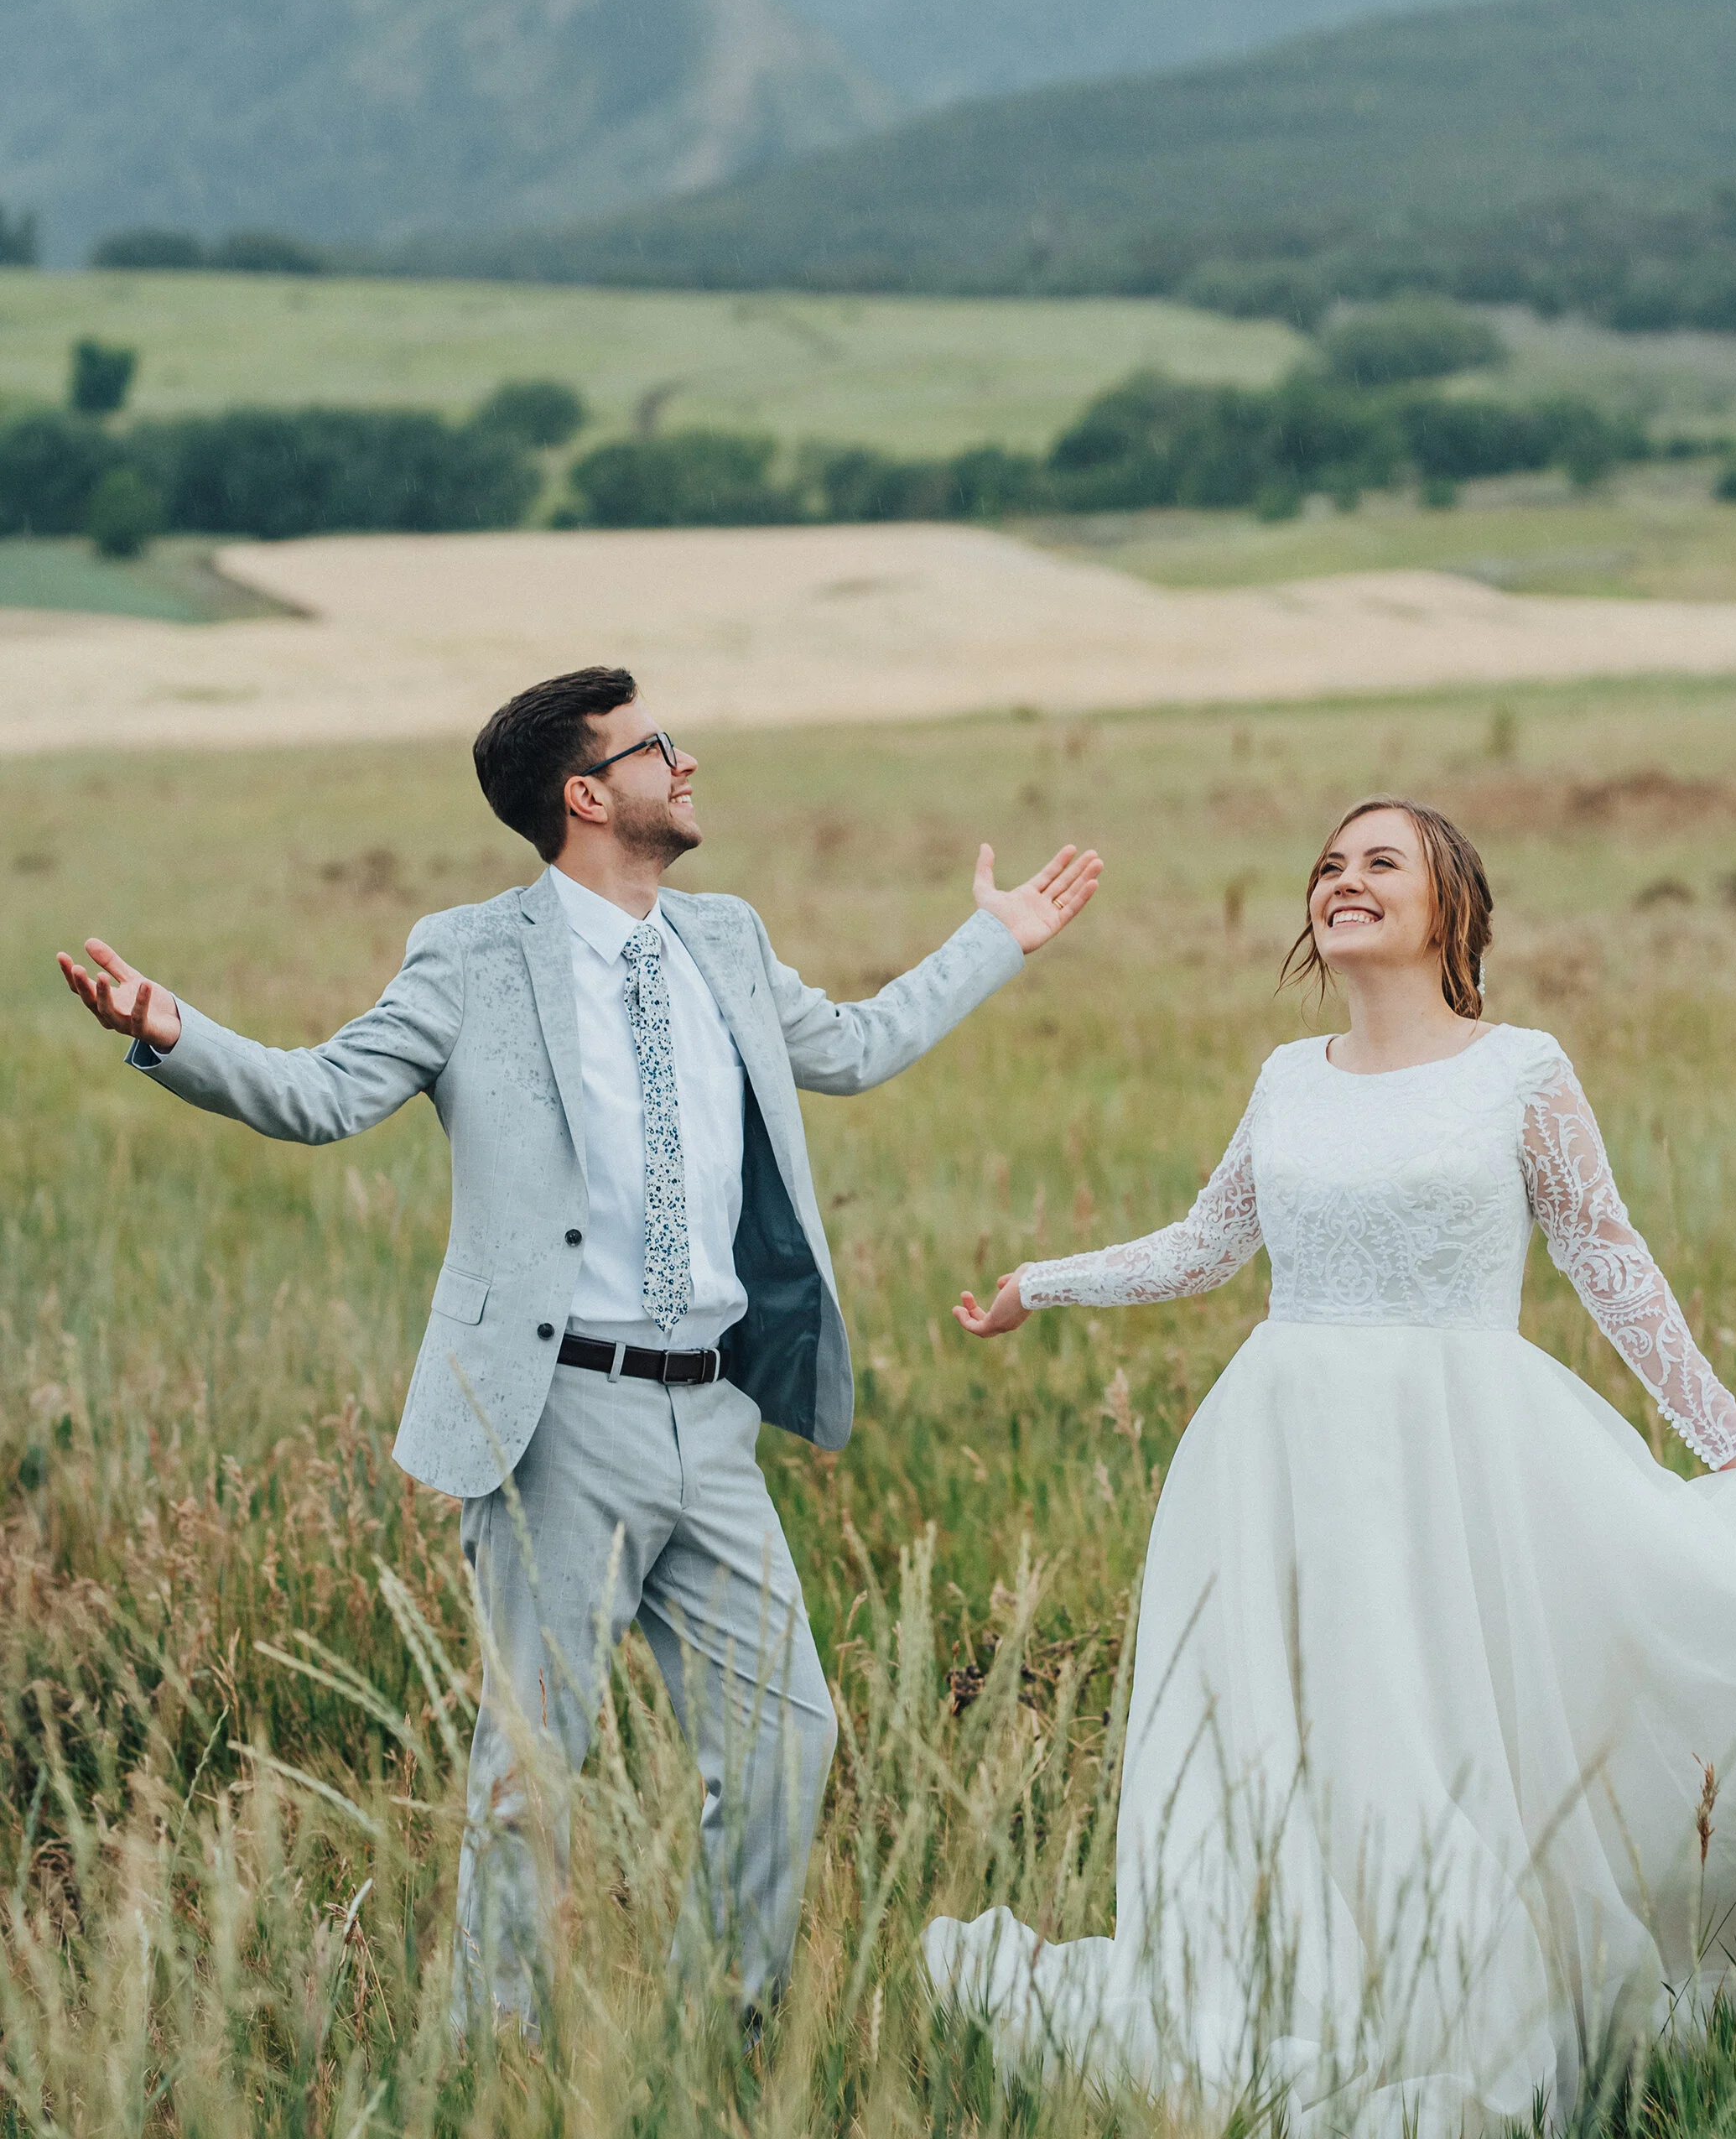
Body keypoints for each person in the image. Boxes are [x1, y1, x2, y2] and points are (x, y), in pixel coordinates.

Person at [928, 797, 1736, 2139]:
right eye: (1328, 864)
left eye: (1382, 861)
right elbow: (1209, 1244)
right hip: (1281, 1456)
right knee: (1298, 1738)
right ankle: (1311, 1990)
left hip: (1465, 1463)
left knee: (1449, 1727)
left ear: (1454, 905)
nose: (1345, 880)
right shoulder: (1288, 1076)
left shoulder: (1521, 1072)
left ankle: (1465, 1997)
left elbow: (1610, 1262)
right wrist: (1046, 1281)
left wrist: (1733, 1446)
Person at [58, 664, 1101, 2038]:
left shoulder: (723, 937)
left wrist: (996, 940)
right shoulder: (470, 955)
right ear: (588, 792)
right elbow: (323, 1094)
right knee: (533, 1769)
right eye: (661, 746)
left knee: (790, 1739)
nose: (690, 761)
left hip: (715, 1414)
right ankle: (494, 2064)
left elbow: (847, 1048)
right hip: (561, 1414)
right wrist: (172, 1033)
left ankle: (717, 2034)